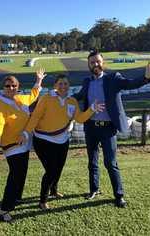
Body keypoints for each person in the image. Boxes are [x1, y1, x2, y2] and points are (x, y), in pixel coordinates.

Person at [73, 50, 150, 208]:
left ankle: (119, 195)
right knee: (92, 162)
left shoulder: (113, 78)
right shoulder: (87, 81)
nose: (95, 64)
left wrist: (146, 77)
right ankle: (94, 189)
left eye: (97, 61)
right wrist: (61, 96)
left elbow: (130, 84)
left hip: (108, 129)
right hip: (91, 128)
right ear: (88, 65)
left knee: (110, 162)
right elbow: (80, 95)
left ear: (103, 63)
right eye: (92, 62)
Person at [20, 74, 105, 210]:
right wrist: (26, 131)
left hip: (63, 141)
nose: (63, 86)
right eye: (60, 84)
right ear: (55, 86)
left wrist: (92, 109)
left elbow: (80, 118)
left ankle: (54, 190)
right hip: (43, 141)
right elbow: (35, 116)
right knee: (51, 170)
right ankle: (43, 200)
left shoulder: (72, 101)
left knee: (58, 168)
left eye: (65, 84)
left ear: (68, 86)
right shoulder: (46, 99)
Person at [0, 69, 46, 222]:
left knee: (22, 173)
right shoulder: (0, 105)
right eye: (7, 86)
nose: (11, 88)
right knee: (15, 176)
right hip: (12, 145)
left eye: (13, 86)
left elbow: (33, 95)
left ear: (17, 87)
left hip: (24, 143)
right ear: (3, 87)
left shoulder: (21, 99)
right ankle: (5, 208)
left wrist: (38, 81)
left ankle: (16, 199)